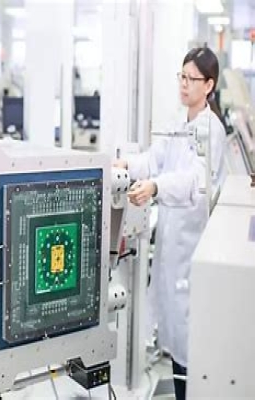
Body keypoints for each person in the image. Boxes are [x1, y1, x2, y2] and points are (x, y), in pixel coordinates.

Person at [114, 47, 226, 400]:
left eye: (192, 79)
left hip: (192, 247)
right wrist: (125, 166)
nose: (184, 84)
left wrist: (156, 187)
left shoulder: (211, 130)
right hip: (171, 246)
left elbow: (194, 182)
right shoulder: (180, 123)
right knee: (175, 335)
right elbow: (154, 159)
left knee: (189, 339)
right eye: (181, 76)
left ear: (209, 85)